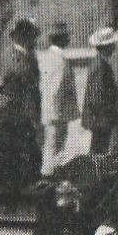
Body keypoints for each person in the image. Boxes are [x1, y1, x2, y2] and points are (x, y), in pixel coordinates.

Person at [37, 22, 79, 171]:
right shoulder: (60, 60)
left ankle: (48, 176)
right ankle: (51, 178)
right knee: (55, 149)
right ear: (62, 40)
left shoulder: (44, 57)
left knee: (48, 148)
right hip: (57, 115)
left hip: (46, 112)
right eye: (67, 37)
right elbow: (57, 89)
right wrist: (58, 114)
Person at [82, 27, 118, 155]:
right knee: (98, 151)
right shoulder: (101, 66)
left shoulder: (99, 63)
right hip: (100, 118)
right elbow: (96, 96)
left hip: (99, 117)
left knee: (98, 150)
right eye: (112, 44)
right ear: (106, 46)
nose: (114, 47)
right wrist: (104, 116)